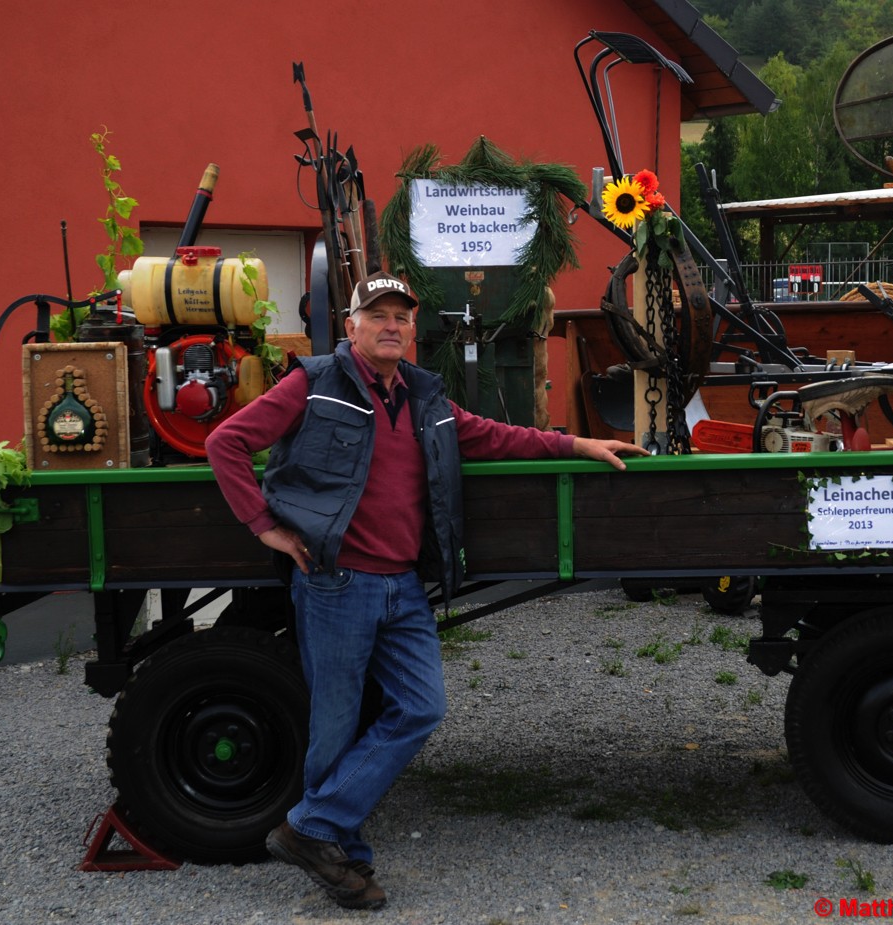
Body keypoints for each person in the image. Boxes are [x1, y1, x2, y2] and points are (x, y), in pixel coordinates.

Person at [205, 270, 646, 910]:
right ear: (351, 325)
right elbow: (226, 442)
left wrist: (576, 442)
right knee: (334, 727)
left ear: (413, 330)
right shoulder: (314, 382)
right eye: (377, 315)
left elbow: (493, 435)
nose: (391, 326)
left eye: (401, 317)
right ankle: (342, 858)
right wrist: (264, 526)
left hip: (404, 586)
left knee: (420, 707)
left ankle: (311, 828)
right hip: (337, 582)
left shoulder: (424, 395)